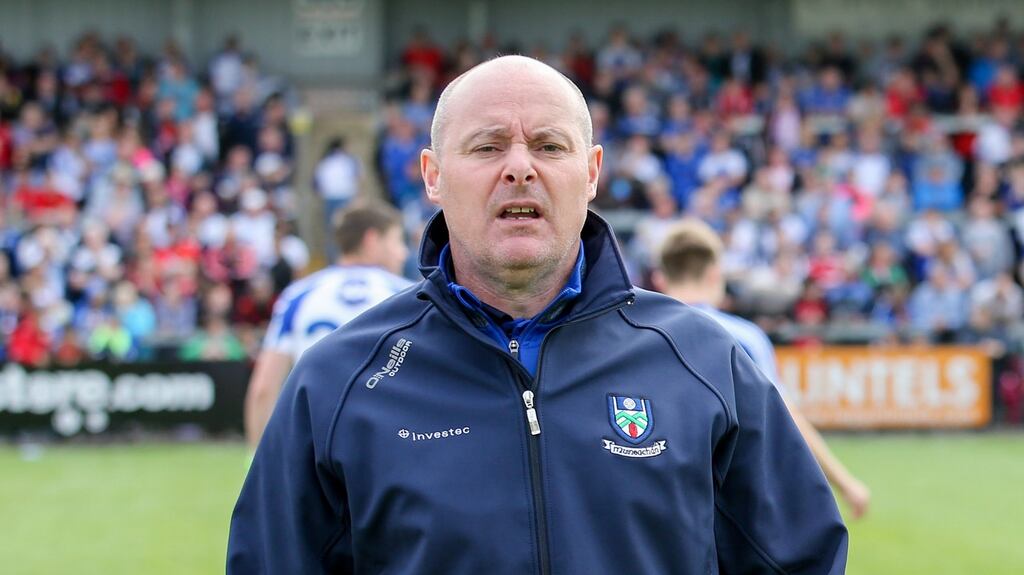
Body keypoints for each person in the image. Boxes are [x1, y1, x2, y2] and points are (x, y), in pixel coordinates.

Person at [228, 56, 847, 574]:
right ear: (433, 176)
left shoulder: (705, 364)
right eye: (488, 145)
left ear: (592, 172)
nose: (519, 166)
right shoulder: (338, 380)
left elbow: (803, 559)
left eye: (549, 146)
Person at [654, 217, 872, 520]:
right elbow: (786, 420)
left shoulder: (641, 338)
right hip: (730, 499)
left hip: (658, 494)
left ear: (660, 279)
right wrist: (845, 483)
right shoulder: (741, 338)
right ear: (716, 274)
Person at [243, 202, 411, 448]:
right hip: (387, 443)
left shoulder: (299, 295)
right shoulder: (407, 295)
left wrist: (255, 462)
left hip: (316, 442)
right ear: (372, 239)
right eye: (397, 241)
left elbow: (263, 390)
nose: (403, 253)